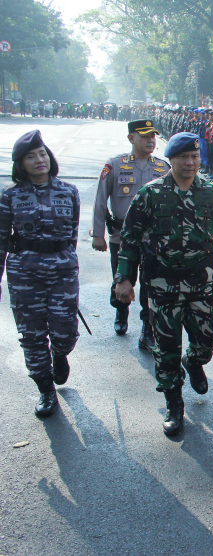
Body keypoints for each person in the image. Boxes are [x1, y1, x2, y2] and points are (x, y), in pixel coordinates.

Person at [114, 132, 213, 437]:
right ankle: (174, 402)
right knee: (166, 348)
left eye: (195, 156)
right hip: (162, 285)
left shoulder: (212, 194)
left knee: (208, 340)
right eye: (183, 157)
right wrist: (124, 278)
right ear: (170, 159)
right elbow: (130, 239)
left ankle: (194, 362)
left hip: (201, 284)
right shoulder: (150, 194)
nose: (190, 162)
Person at [0, 131, 80, 417]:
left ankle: (60, 354)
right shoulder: (9, 196)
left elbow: (72, 233)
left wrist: (65, 261)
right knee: (31, 334)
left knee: (65, 330)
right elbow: (1, 240)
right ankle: (45, 389)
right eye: (31, 157)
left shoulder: (69, 191)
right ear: (21, 164)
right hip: (25, 273)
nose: (39, 160)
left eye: (42, 154)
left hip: (62, 271)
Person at [92, 119, 170, 346]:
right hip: (122, 238)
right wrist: (98, 234)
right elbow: (100, 200)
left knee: (151, 285)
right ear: (131, 138)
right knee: (123, 278)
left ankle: (147, 329)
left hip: (152, 240)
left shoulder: (163, 168)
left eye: (153, 136)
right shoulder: (115, 165)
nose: (150, 140)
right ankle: (121, 310)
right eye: (144, 136)